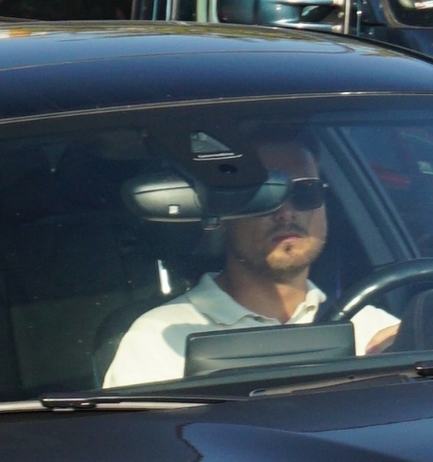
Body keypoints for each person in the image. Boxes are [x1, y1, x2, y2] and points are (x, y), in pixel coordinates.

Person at [102, 136, 400, 388]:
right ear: (221, 215)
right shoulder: (162, 339)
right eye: (263, 194)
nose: (286, 213)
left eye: (304, 192)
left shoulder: (377, 334)